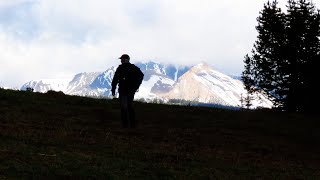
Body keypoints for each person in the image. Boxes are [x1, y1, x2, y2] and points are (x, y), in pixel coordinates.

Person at [111, 54, 144, 128]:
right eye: (121, 59)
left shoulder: (123, 68)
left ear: (127, 59)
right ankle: (130, 125)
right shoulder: (131, 67)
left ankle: (126, 125)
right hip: (127, 90)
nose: (121, 60)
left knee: (125, 107)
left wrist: (136, 86)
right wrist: (136, 86)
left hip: (126, 90)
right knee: (127, 107)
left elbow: (115, 79)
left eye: (122, 59)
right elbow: (115, 79)